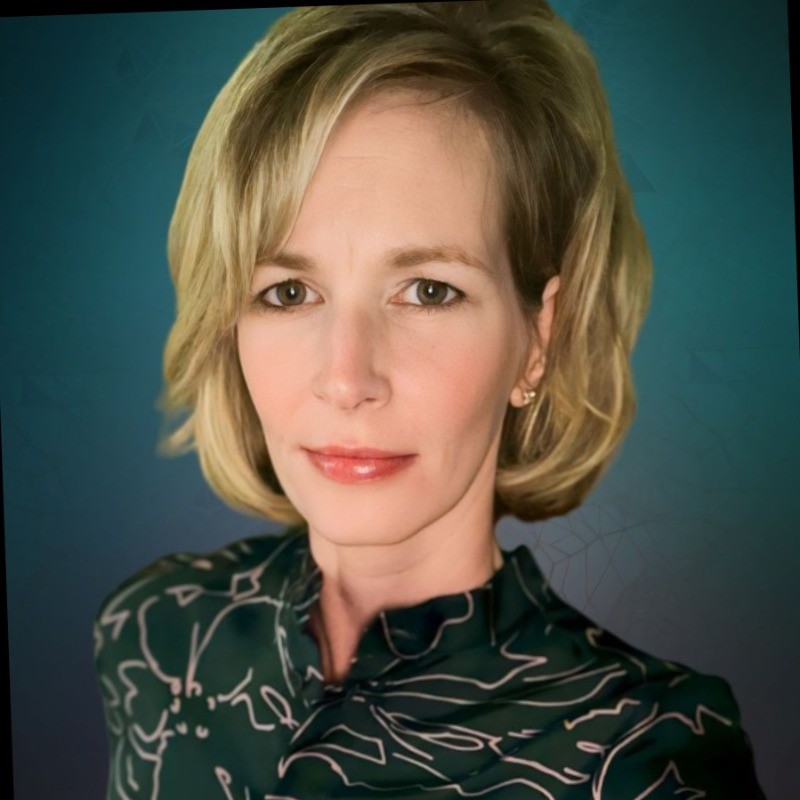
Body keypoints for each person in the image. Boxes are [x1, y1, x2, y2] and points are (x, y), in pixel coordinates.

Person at [93, 2, 766, 797]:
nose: (347, 379)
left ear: (538, 337)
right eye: (289, 292)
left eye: (427, 290)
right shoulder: (155, 631)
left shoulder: (645, 752)